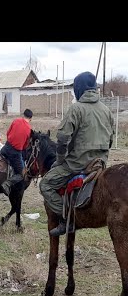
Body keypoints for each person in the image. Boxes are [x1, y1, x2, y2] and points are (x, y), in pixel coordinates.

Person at [40, 71, 114, 237]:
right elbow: (110, 139)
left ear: (79, 89)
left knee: (45, 184)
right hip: (100, 163)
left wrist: (60, 160)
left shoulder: (76, 108)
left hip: (77, 163)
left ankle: (68, 219)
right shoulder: (106, 110)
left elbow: (62, 137)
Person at [0, 109, 33, 196]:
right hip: (15, 153)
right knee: (21, 174)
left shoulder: (16, 121)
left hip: (6, 147)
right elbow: (25, 145)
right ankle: (7, 183)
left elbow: (8, 133)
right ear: (30, 118)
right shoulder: (29, 129)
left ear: (23, 115)